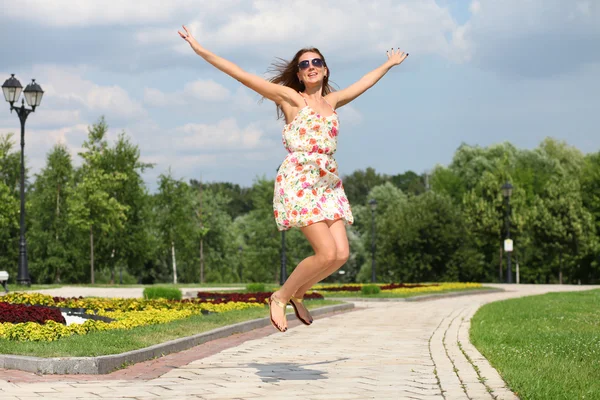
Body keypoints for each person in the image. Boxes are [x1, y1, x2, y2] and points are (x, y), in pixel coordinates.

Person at [178, 25, 408, 332]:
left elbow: (363, 84)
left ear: (325, 70)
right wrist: (200, 49)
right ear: (298, 75)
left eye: (315, 63)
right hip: (299, 180)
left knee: (340, 254)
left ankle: (299, 293)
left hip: (327, 181)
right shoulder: (290, 99)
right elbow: (243, 75)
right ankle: (280, 297)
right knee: (325, 252)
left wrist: (388, 65)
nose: (310, 67)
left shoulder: (332, 102)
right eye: (303, 65)